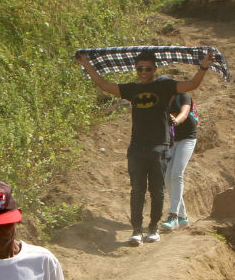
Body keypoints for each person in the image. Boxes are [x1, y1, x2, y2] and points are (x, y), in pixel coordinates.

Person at [77, 48, 215, 245]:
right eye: (140, 68)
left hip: (159, 146)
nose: (143, 72)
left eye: (147, 69)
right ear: (136, 69)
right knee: (137, 190)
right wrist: (87, 65)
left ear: (154, 69)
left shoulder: (165, 86)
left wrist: (203, 66)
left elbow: (193, 84)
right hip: (136, 148)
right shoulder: (132, 89)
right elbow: (104, 84)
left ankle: (153, 228)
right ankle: (136, 230)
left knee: (157, 190)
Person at [160, 80, 198, 231]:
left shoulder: (183, 96)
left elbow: (185, 111)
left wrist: (176, 120)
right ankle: (183, 218)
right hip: (173, 140)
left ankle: (173, 216)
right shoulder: (162, 100)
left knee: (176, 174)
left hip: (188, 138)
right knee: (167, 178)